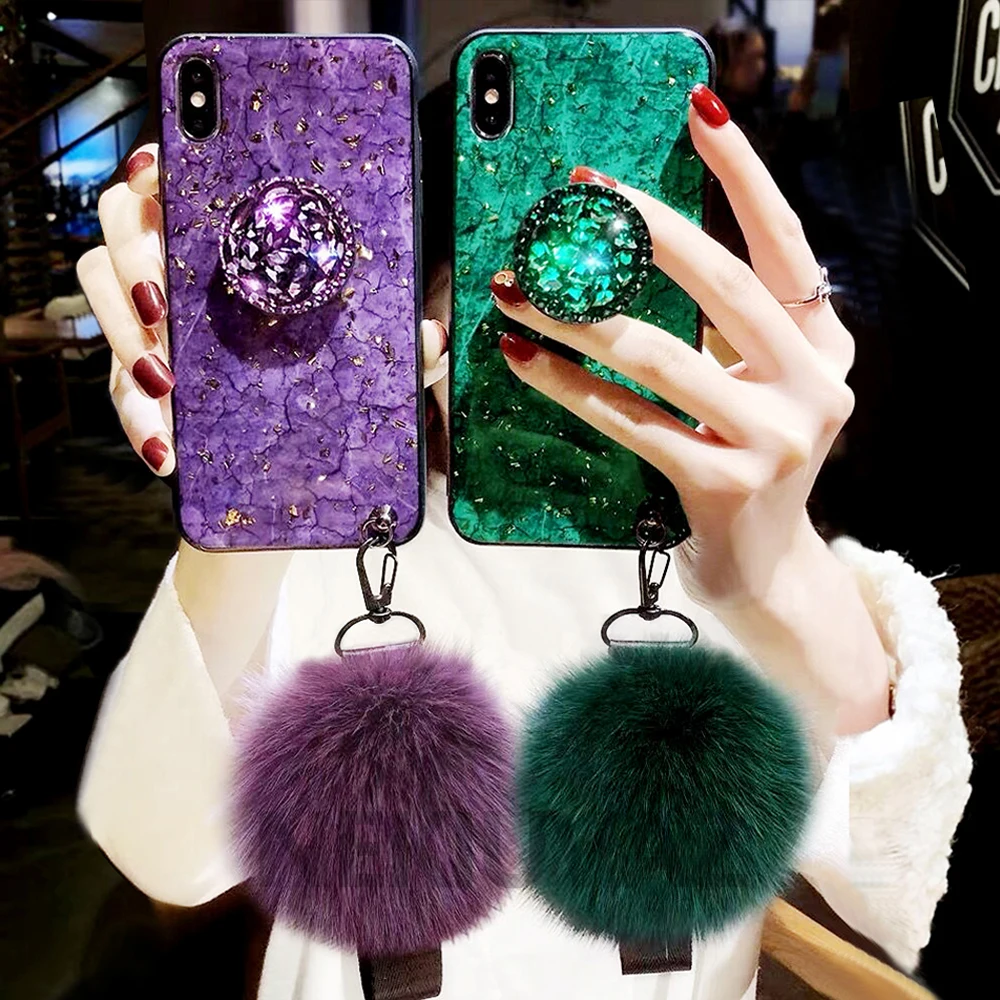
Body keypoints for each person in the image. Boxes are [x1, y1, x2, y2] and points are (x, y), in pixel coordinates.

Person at [74, 78, 971, 1000]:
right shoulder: (334, 546)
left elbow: (891, 893)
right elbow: (164, 847)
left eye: (609, 268)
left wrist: (782, 573)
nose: (563, 316)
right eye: (508, 256)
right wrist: (244, 498)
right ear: (418, 288)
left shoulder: (753, 566)